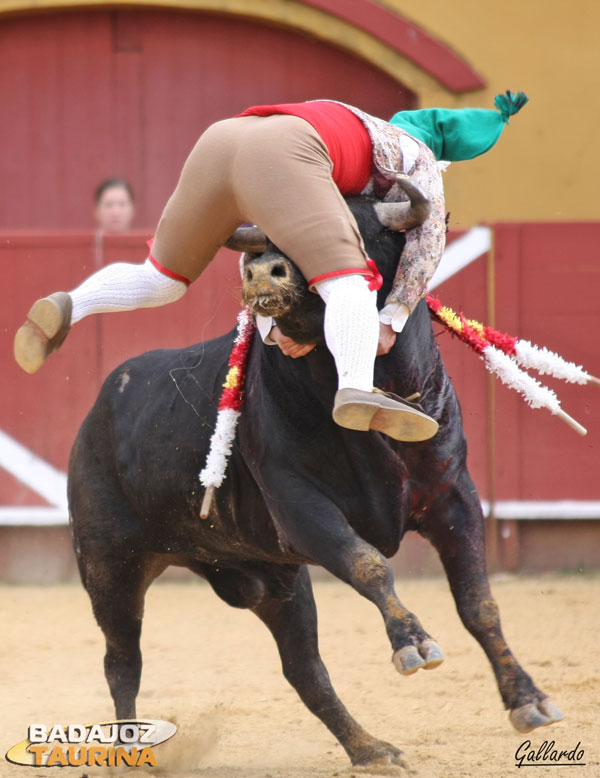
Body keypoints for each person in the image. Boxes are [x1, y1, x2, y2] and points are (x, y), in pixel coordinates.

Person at [13, 93, 527, 442]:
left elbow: (266, 248)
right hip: (288, 149)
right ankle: (356, 384)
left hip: (220, 140)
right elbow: (427, 240)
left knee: (160, 279)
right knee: (348, 279)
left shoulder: (346, 124)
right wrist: (390, 320)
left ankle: (71, 304)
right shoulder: (416, 154)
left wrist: (271, 324)